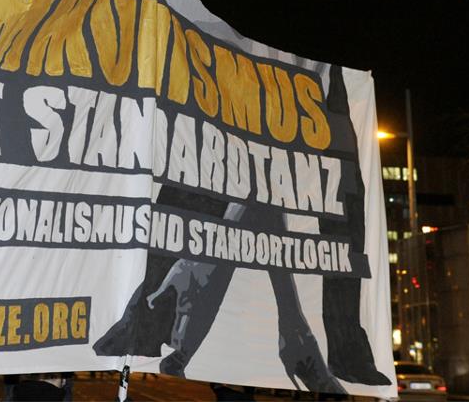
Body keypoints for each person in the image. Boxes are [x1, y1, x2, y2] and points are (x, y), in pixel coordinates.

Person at [94, 65, 388, 392]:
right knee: (218, 166)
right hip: (240, 69)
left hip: (313, 72)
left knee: (332, 187)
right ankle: (298, 338)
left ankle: (310, 339)